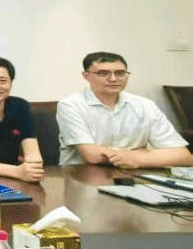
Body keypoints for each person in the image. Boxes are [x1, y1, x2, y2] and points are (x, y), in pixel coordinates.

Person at [57, 52, 193, 168]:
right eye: (103, 73)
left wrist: (137, 159)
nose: (113, 79)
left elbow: (183, 156)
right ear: (86, 76)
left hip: (136, 174)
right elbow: (92, 155)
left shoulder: (145, 105)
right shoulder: (71, 105)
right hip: (84, 176)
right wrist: (143, 154)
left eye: (120, 73)